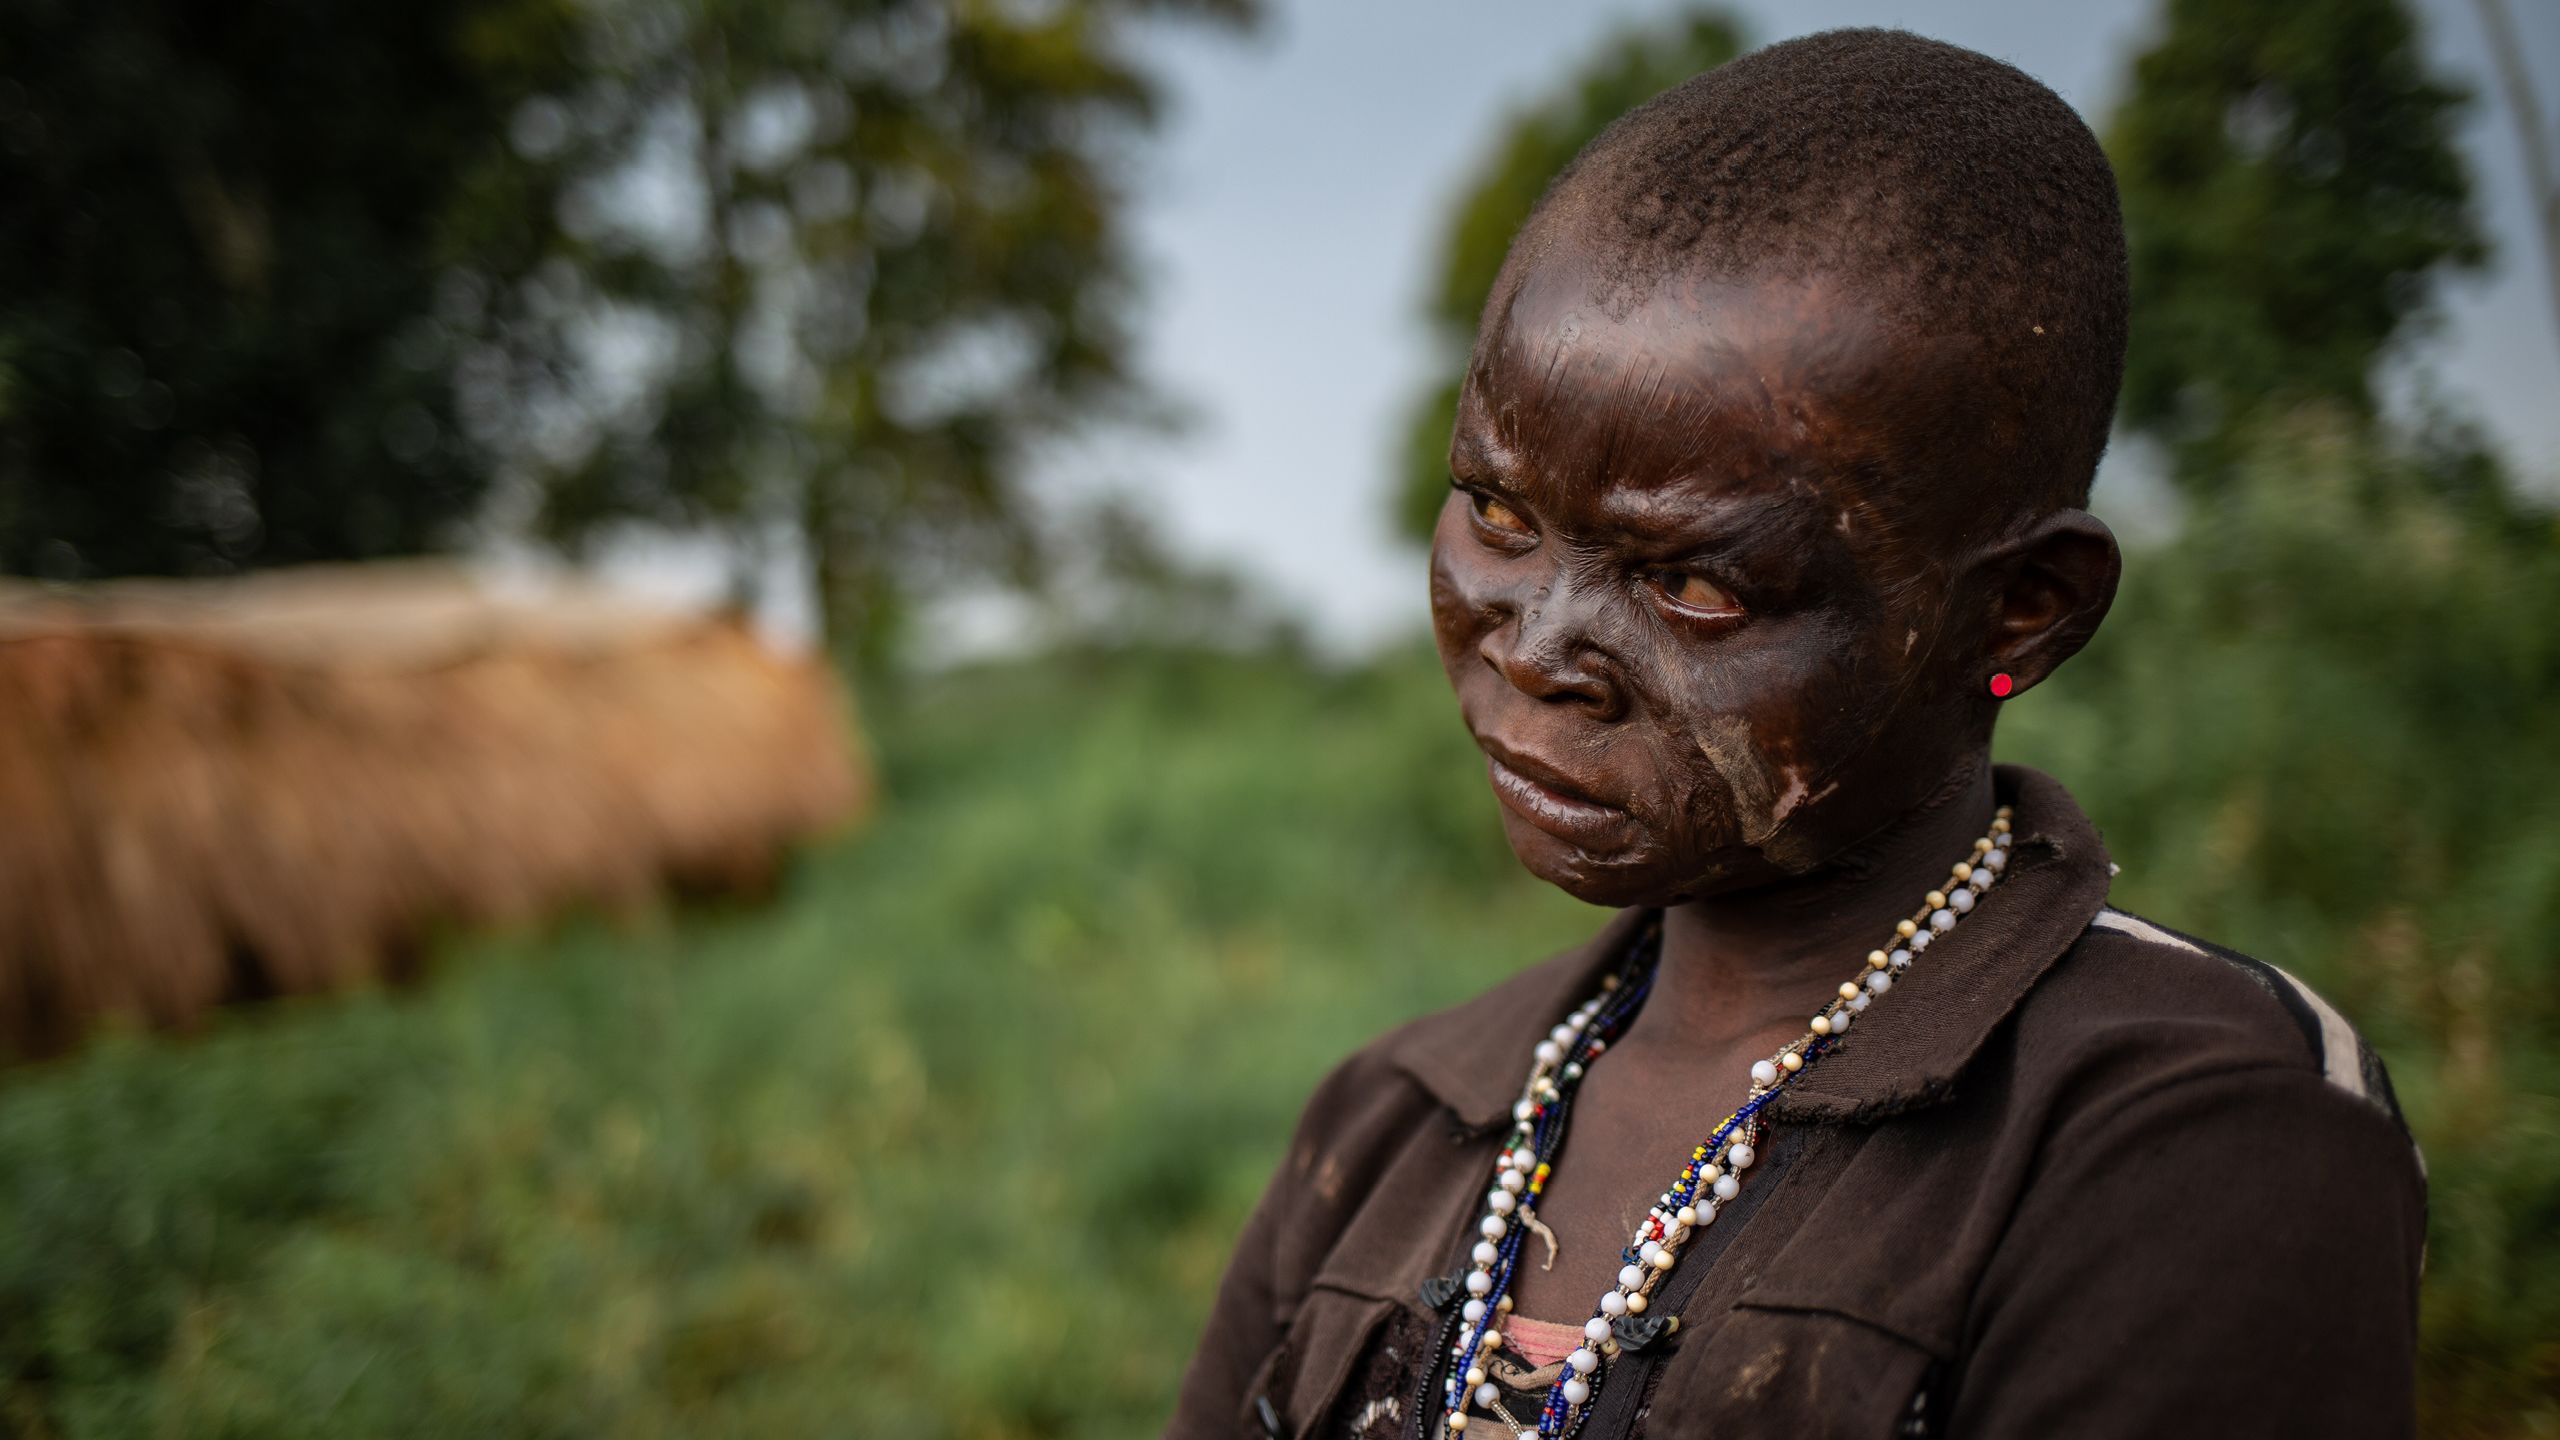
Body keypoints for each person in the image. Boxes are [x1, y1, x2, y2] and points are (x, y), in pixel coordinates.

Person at [1167, 27, 2424, 1440]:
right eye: (1500, 515)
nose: (1536, 648)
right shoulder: (1394, 1121)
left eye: (1691, 581)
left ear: (2020, 613)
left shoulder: (2193, 1136)